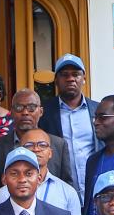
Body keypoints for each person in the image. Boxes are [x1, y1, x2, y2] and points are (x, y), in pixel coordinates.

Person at [0, 122, 83, 215]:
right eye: (29, 145)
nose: (36, 149)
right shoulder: (4, 192)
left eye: (42, 145)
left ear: (50, 153)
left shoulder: (68, 192)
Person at [39, 53, 99, 195]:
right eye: (64, 75)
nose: (70, 79)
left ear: (84, 78)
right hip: (60, 190)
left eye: (76, 74)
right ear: (56, 80)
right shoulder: (44, 112)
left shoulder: (98, 110)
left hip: (95, 189)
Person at [7, 88, 77, 187]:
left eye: (31, 107)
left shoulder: (59, 145)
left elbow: (66, 184)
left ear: (41, 111)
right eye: (19, 107)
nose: (25, 112)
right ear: (11, 112)